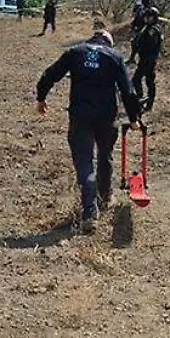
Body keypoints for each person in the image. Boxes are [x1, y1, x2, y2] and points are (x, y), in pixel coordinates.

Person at [35, 30, 142, 232]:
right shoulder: (114, 57)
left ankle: (90, 211)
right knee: (105, 156)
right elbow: (127, 90)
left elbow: (50, 74)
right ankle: (104, 197)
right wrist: (134, 118)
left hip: (80, 116)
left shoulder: (75, 52)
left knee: (84, 162)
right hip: (106, 117)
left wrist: (41, 97)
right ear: (108, 42)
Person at [130, 8, 164, 112]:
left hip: (148, 59)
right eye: (146, 17)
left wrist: (139, 46)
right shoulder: (147, 27)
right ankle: (144, 100)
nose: (146, 19)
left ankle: (145, 100)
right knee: (146, 81)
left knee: (140, 80)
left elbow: (150, 45)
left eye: (149, 17)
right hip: (145, 58)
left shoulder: (153, 30)